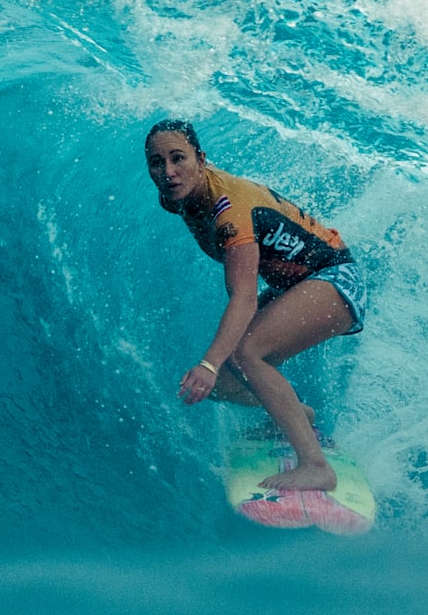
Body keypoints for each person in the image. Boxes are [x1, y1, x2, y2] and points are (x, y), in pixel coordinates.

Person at [145, 118, 368, 492]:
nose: (168, 171)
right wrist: (215, 367)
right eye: (157, 162)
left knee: (246, 353)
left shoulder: (228, 209)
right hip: (298, 284)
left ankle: (316, 466)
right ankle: (297, 416)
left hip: (336, 278)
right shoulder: (176, 197)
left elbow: (245, 297)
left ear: (201, 159)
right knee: (224, 382)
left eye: (178, 158)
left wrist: (207, 363)